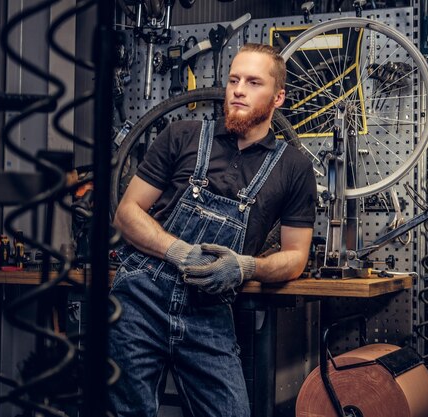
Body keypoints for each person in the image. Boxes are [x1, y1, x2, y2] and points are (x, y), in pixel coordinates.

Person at [108, 43, 317, 417]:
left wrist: (245, 267)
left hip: (209, 316)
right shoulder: (182, 136)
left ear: (278, 97)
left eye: (254, 82)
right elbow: (127, 214)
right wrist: (180, 252)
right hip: (141, 301)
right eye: (234, 79)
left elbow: (296, 257)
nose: (238, 89)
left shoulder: (293, 167)